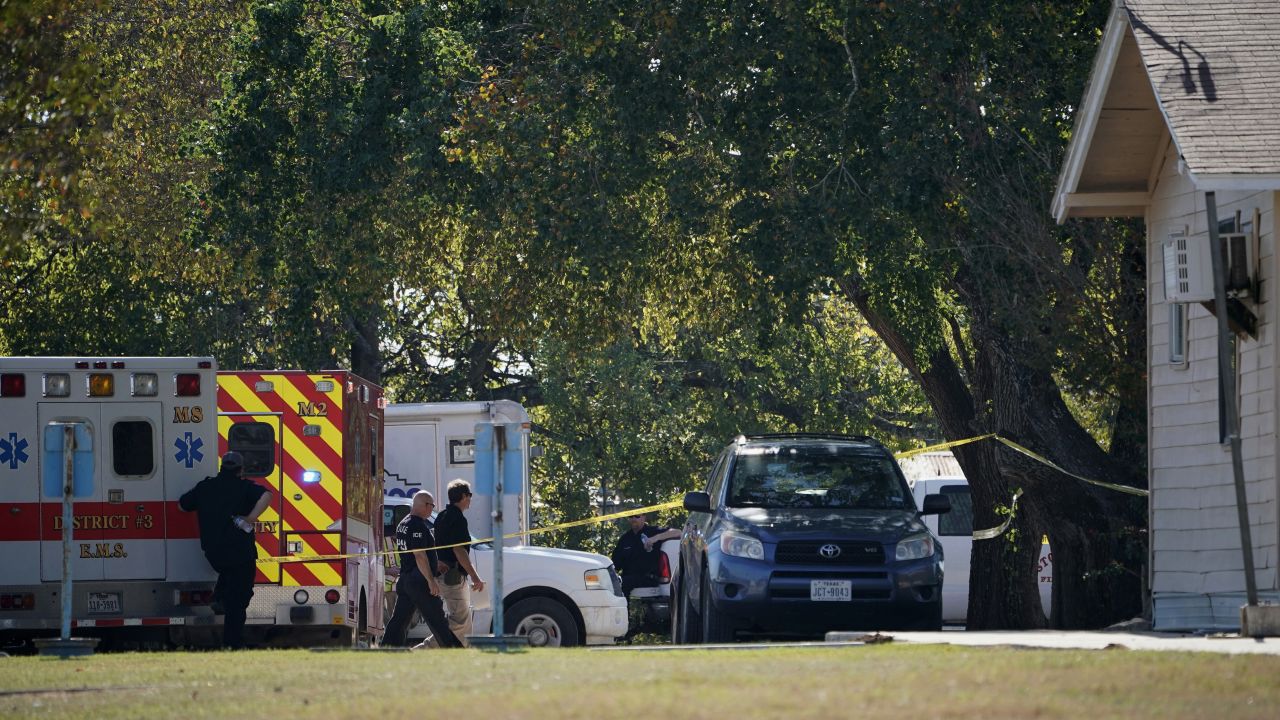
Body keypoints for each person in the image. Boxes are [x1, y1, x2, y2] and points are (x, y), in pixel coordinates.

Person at [179, 451, 272, 649]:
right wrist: (250, 518)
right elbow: (266, 495)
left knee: (228, 576)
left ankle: (220, 597)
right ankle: (232, 642)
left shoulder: (205, 487)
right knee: (239, 600)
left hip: (214, 554)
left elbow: (183, 505)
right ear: (240, 470)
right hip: (241, 554)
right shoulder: (244, 487)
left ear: (222, 467)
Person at [381, 491, 464, 648]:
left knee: (399, 620)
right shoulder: (417, 525)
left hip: (406, 580)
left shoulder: (403, 523)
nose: (432, 509)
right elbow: (419, 555)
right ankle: (454, 650)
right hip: (419, 581)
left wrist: (435, 564)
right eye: (432, 506)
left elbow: (414, 554)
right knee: (437, 619)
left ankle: (388, 648)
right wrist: (431, 581)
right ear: (425, 505)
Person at [432, 479, 485, 646]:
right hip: (453, 577)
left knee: (463, 621)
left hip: (442, 574)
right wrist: (475, 577)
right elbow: (459, 550)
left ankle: (460, 653)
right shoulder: (458, 519)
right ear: (463, 496)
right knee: (460, 621)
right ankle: (423, 649)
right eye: (469, 495)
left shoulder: (441, 516)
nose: (470, 499)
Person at [611, 512, 681, 598]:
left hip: (648, 577)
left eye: (637, 516)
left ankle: (624, 611)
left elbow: (678, 532)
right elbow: (615, 564)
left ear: (644, 517)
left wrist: (655, 538)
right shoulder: (625, 538)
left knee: (623, 583)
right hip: (628, 577)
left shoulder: (652, 531)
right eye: (631, 516)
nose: (633, 519)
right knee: (611, 583)